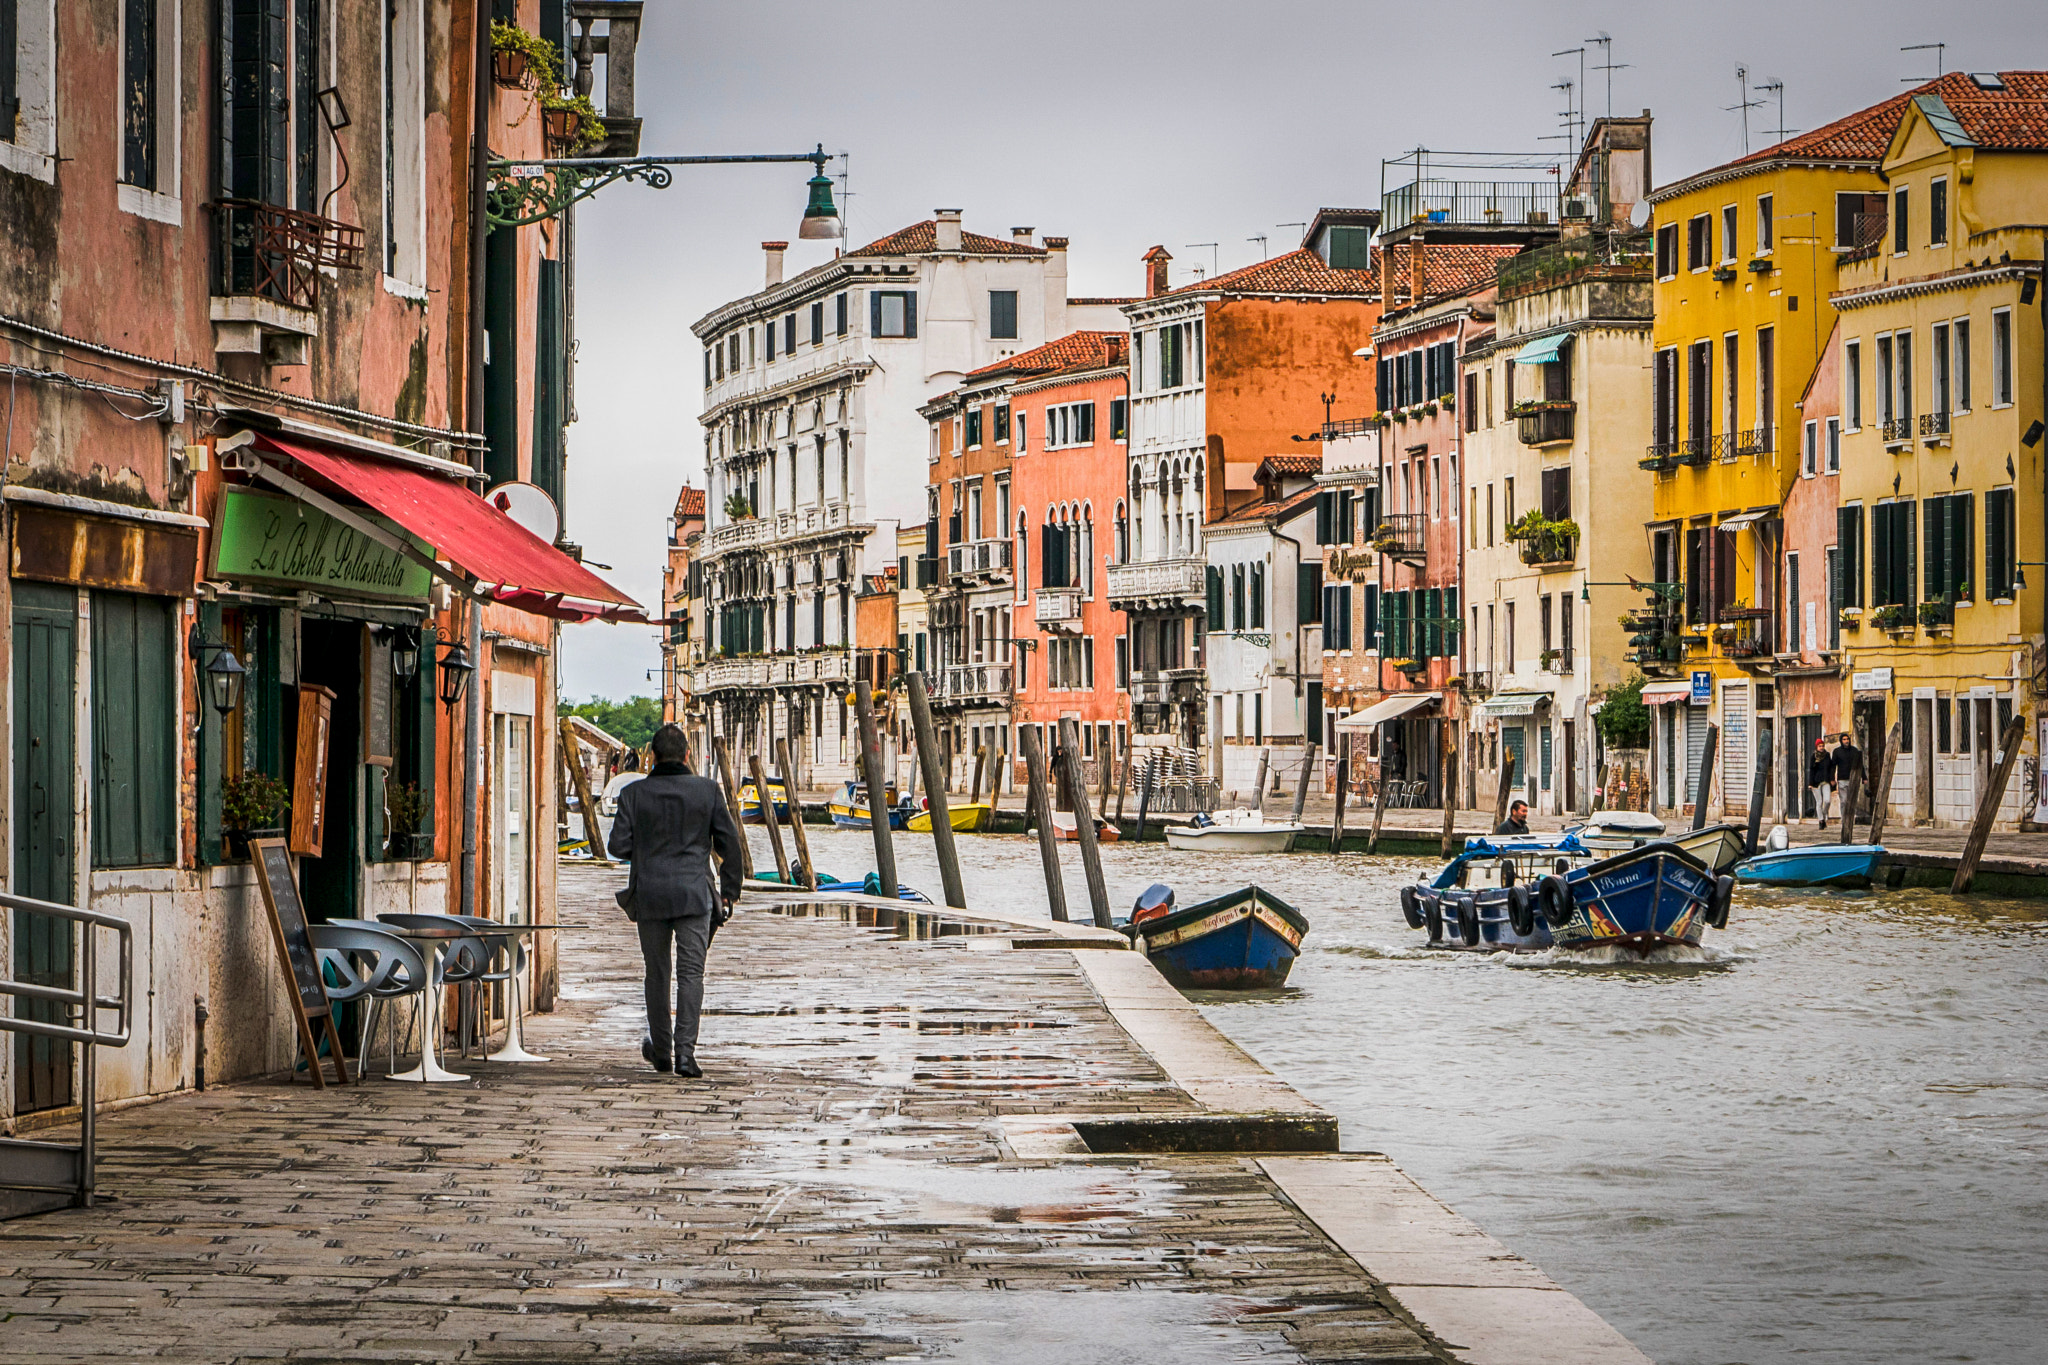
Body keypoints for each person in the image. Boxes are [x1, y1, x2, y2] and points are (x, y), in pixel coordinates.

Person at [606, 725, 743, 1077]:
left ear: (651, 756)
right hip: (694, 895)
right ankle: (685, 1055)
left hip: (650, 894)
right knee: (691, 974)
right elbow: (730, 845)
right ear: (686, 755)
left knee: (657, 974)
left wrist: (649, 846)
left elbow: (617, 847)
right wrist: (730, 890)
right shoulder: (707, 791)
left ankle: (662, 1052)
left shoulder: (633, 794)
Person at [1831, 730, 1864, 821]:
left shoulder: (1854, 751)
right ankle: (1844, 818)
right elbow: (1833, 766)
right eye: (1844, 739)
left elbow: (1860, 765)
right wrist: (1832, 778)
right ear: (1841, 741)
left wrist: (1864, 777)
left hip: (1853, 780)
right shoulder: (1837, 752)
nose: (1846, 741)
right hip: (1842, 780)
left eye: (1847, 739)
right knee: (1844, 801)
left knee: (1852, 801)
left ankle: (1851, 818)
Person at [1808, 735, 1836, 828]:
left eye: (1822, 746)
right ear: (1816, 747)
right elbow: (1811, 770)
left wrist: (1832, 778)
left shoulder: (1827, 755)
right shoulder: (1813, 756)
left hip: (1826, 781)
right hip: (1816, 782)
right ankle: (1821, 821)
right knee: (1819, 802)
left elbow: (1832, 767)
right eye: (1819, 746)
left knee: (1827, 801)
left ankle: (1824, 815)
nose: (1821, 748)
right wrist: (1810, 783)